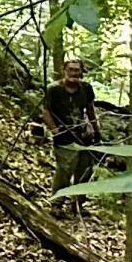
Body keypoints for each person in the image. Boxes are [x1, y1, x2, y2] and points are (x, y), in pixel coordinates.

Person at [38, 57, 101, 191]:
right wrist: (55, 130)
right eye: (70, 70)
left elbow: (90, 109)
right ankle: (57, 203)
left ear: (81, 72)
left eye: (77, 70)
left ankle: (77, 204)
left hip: (84, 136)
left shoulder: (86, 88)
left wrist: (96, 130)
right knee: (65, 170)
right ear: (64, 71)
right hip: (64, 136)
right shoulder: (53, 89)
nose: (73, 73)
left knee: (85, 171)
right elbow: (45, 111)